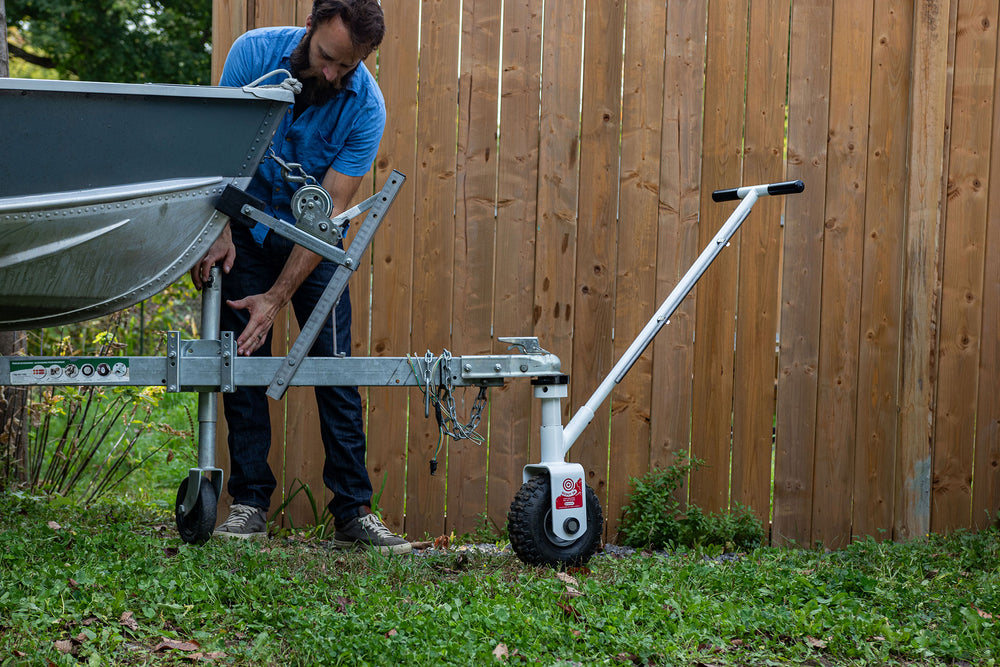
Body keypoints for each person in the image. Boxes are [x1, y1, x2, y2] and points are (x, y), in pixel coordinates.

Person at [190, 0, 410, 554]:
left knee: (335, 366)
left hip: (309, 244)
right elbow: (219, 153)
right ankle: (249, 505)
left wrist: (278, 295)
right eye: (326, 58)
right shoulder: (252, 55)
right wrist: (215, 232)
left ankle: (353, 514)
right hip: (238, 223)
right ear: (310, 27)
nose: (333, 74)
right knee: (239, 361)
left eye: (349, 66)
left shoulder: (366, 109)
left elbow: (330, 216)